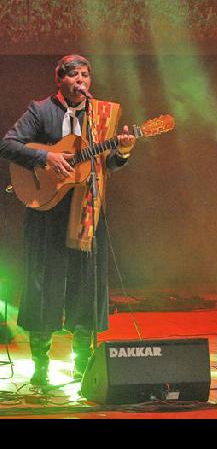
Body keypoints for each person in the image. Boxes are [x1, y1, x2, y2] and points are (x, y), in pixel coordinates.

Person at [0, 54, 135, 386]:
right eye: (74, 75)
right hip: (47, 213)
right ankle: (41, 367)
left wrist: (124, 151)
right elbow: (7, 144)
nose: (81, 80)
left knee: (85, 287)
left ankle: (82, 366)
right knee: (43, 286)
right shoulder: (40, 110)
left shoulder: (99, 116)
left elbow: (107, 165)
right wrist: (46, 156)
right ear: (59, 79)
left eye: (86, 75)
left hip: (87, 212)